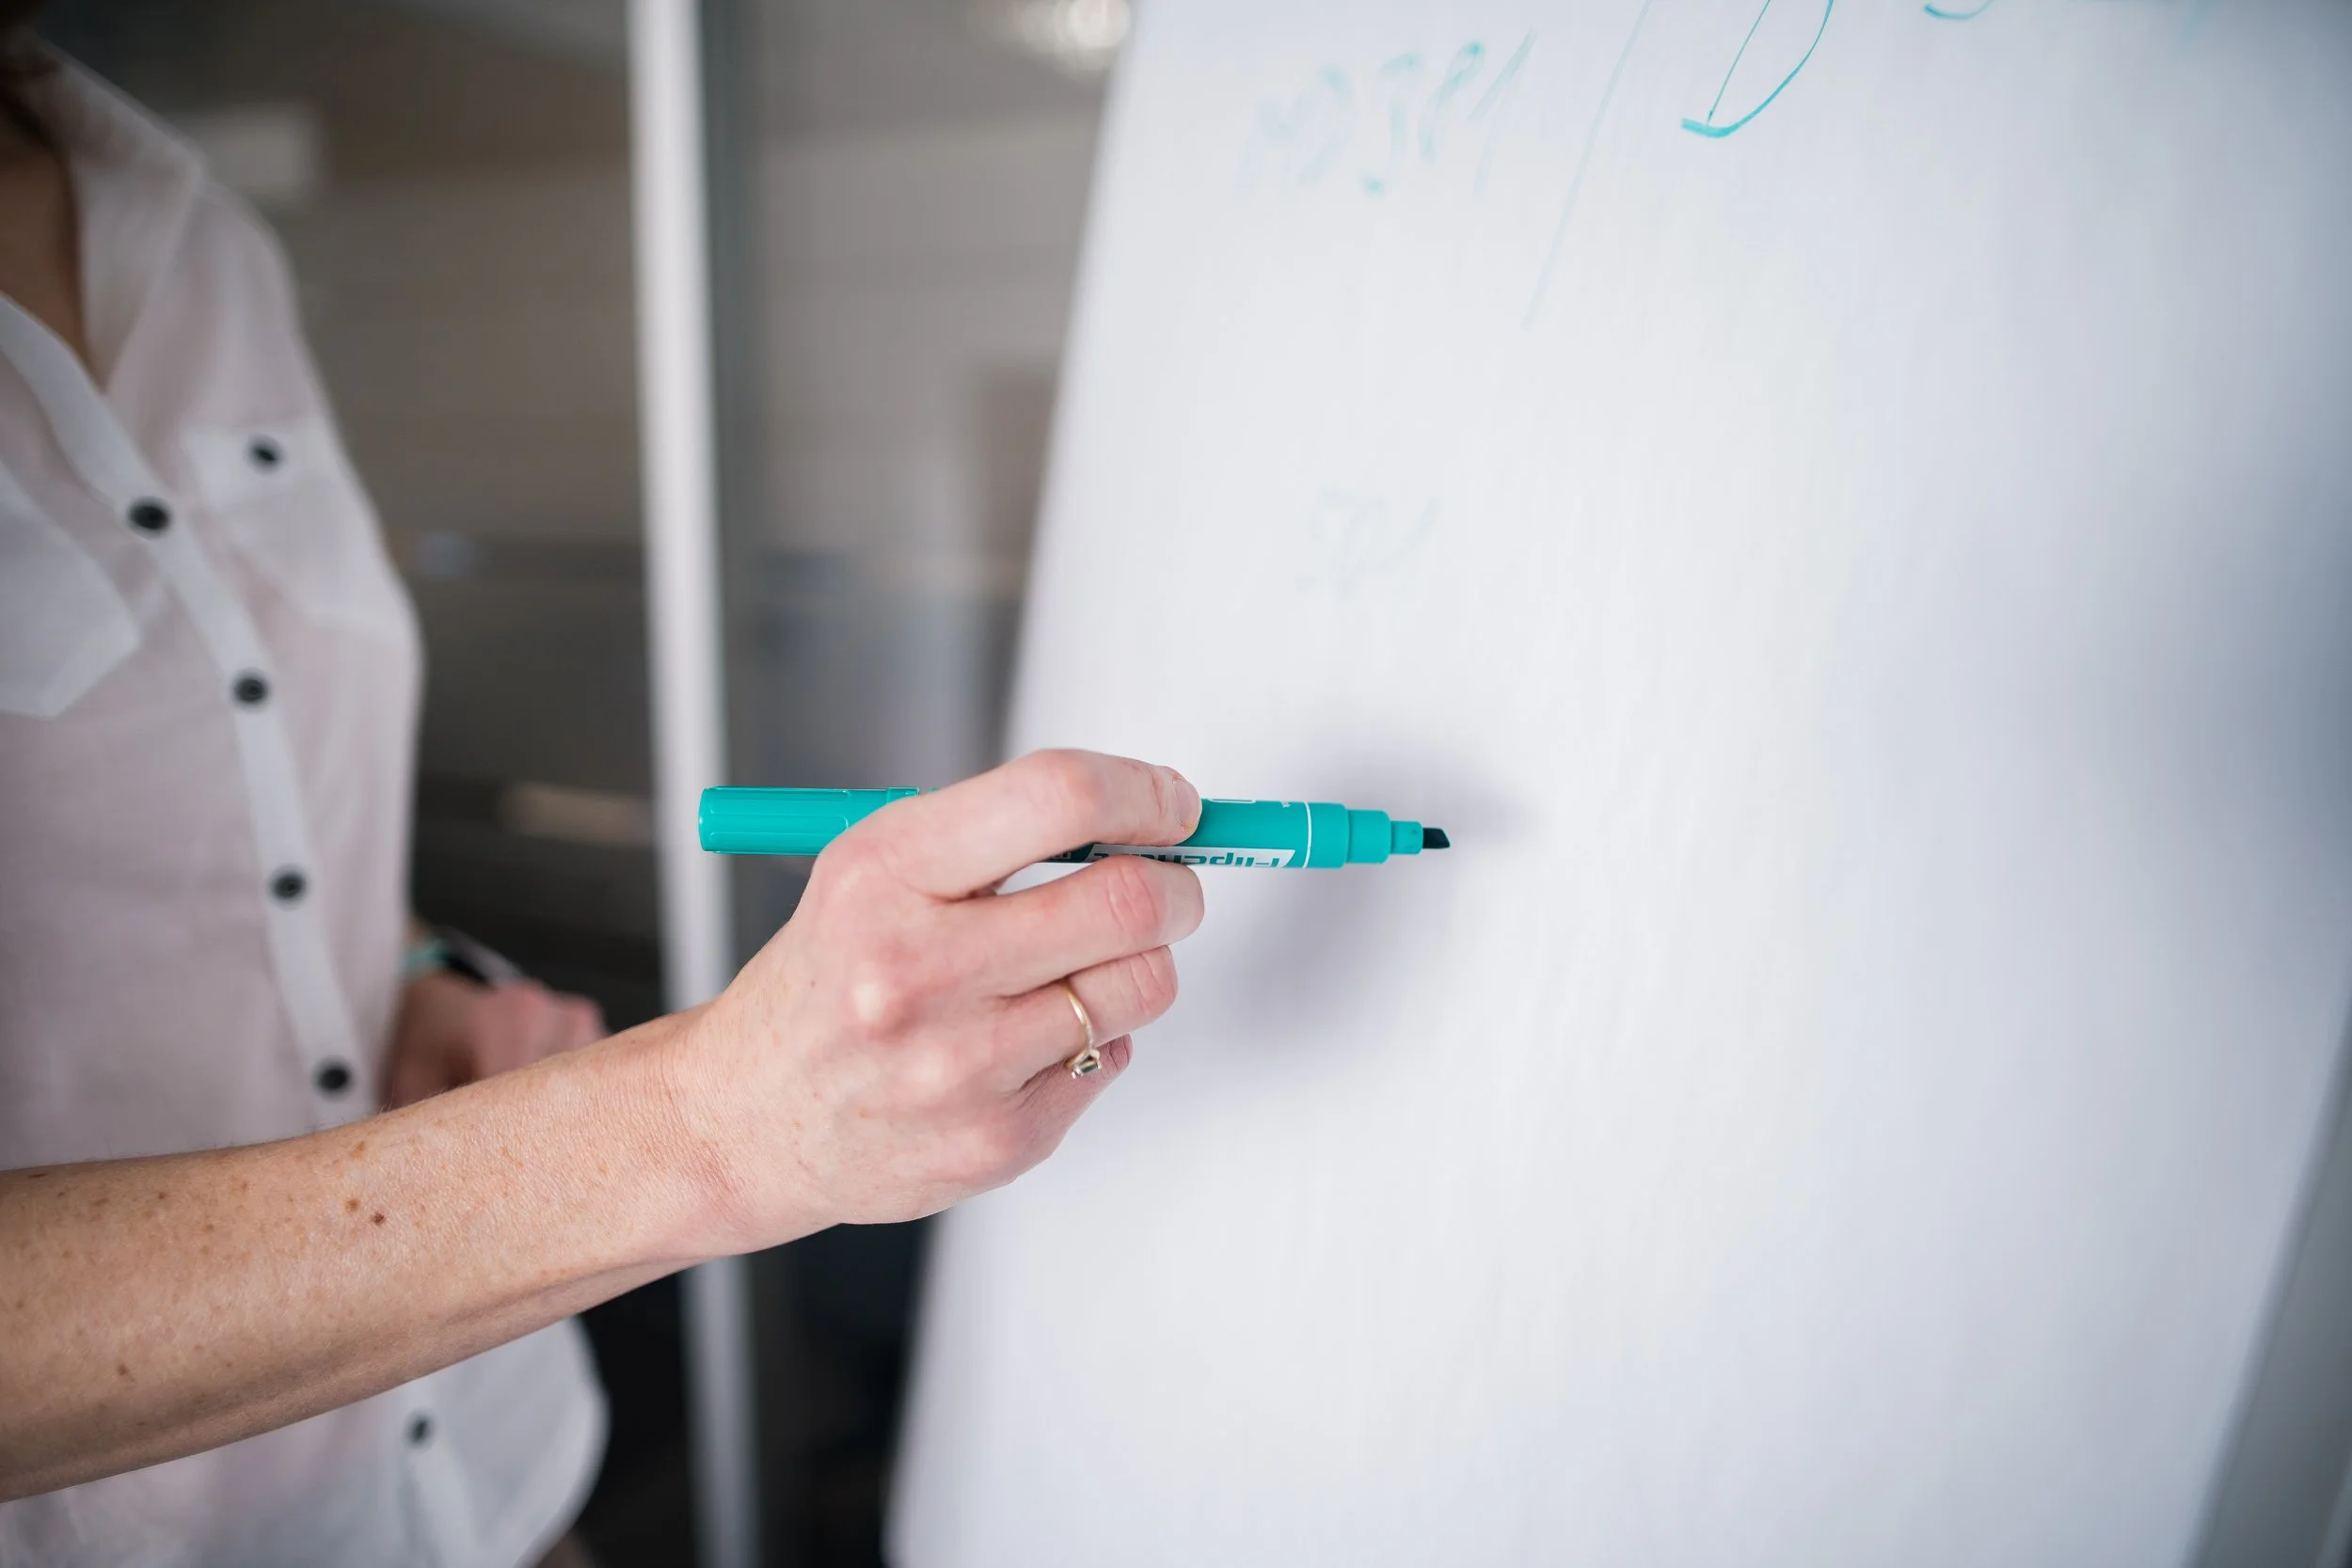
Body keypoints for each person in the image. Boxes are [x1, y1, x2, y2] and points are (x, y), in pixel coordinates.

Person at [0, 28, 1204, 1568]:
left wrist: (414, 967)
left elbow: (245, 803)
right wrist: (709, 1126)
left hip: (481, 1468)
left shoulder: (185, 223)